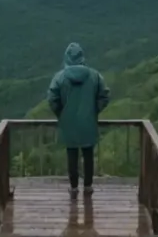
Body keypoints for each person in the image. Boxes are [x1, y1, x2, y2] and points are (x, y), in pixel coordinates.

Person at [48, 42, 110, 199]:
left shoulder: (59, 77)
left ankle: (74, 188)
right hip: (88, 122)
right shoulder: (95, 75)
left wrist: (62, 113)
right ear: (82, 57)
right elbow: (104, 95)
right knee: (88, 155)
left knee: (72, 155)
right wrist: (94, 110)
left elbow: (52, 99)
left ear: (66, 58)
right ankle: (88, 187)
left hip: (69, 123)